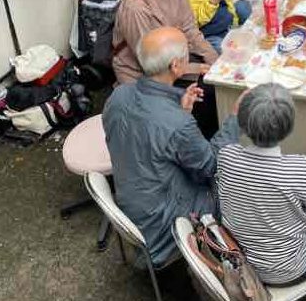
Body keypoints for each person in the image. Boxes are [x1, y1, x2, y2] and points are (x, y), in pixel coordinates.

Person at [102, 27, 239, 265]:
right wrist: (236, 118)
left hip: (134, 206)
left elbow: (147, 135)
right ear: (176, 66)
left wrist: (179, 109)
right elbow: (211, 166)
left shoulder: (118, 96)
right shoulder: (177, 124)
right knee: (241, 178)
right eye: (186, 53)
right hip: (165, 225)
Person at [216, 83, 306, 285]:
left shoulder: (226, 156)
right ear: (288, 126)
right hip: (296, 269)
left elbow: (224, 142)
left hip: (245, 266)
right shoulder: (301, 169)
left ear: (243, 123)